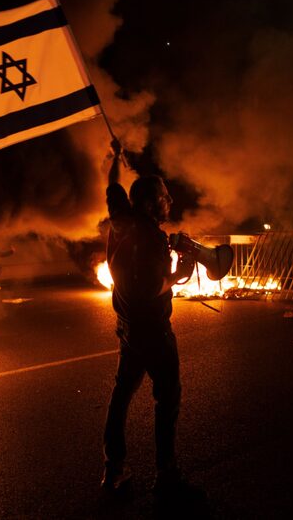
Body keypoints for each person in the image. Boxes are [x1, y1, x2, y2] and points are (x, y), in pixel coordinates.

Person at [101, 138, 198, 498]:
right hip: (153, 331)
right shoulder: (152, 238)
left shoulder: (120, 220)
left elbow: (112, 187)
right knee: (167, 398)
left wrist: (114, 158)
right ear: (149, 202)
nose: (169, 201)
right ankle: (167, 474)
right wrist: (179, 274)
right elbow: (149, 290)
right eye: (164, 197)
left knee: (121, 396)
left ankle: (113, 469)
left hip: (127, 328)